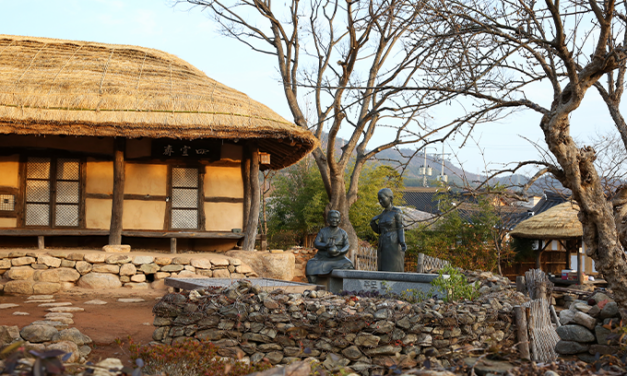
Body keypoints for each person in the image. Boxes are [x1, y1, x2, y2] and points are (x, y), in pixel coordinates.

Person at [306, 210, 354, 284]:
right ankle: (315, 286)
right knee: (310, 265)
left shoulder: (343, 233)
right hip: (323, 257)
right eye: (332, 218)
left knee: (349, 265)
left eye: (336, 218)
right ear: (328, 219)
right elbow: (316, 243)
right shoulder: (323, 231)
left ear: (339, 220)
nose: (334, 220)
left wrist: (339, 252)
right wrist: (326, 245)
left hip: (338, 258)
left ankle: (343, 287)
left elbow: (347, 245)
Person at [370, 188, 406, 272]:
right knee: (383, 266)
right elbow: (379, 231)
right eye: (379, 199)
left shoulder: (397, 212)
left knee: (394, 265)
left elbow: (400, 228)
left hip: (393, 242)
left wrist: (402, 242)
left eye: (382, 198)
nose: (380, 201)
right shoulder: (382, 214)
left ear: (390, 198)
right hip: (383, 242)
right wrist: (372, 223)